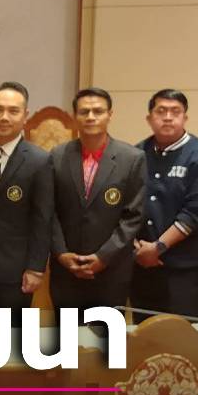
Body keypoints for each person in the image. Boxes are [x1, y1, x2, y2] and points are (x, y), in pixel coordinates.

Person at [50, 88, 146, 321]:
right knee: (67, 338)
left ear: (110, 115)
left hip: (111, 271)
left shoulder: (132, 158)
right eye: (84, 112)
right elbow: (48, 211)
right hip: (66, 271)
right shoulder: (57, 156)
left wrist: (103, 257)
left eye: (98, 111)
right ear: (75, 116)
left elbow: (133, 216)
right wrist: (61, 254)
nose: (91, 117)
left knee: (107, 339)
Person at [0, 81, 53, 327]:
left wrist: (36, 268)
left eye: (13, 111)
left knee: (11, 339)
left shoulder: (39, 160)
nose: (4, 117)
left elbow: (42, 218)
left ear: (25, 116)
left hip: (16, 271)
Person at [131, 89, 198, 321]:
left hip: (184, 266)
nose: (168, 117)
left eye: (175, 112)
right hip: (142, 263)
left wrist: (158, 247)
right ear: (149, 118)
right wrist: (136, 246)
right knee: (144, 333)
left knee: (181, 334)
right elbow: (126, 204)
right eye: (161, 111)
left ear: (185, 118)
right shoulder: (136, 153)